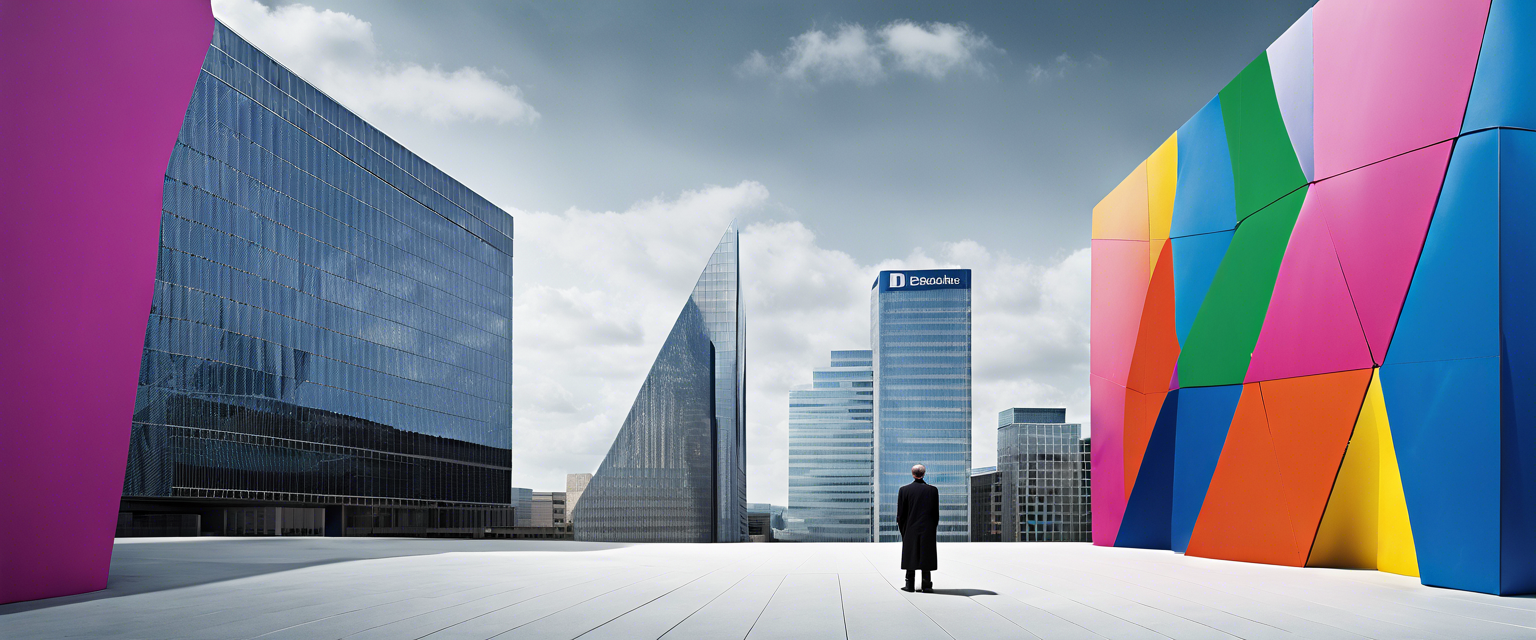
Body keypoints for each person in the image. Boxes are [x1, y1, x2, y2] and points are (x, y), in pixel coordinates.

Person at [896, 463, 940, 593]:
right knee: (926, 554)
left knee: (910, 554)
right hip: (928, 528)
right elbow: (935, 514)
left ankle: (909, 585)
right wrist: (932, 528)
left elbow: (900, 515)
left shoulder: (904, 490)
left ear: (912, 474)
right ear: (924, 474)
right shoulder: (933, 490)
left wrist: (904, 530)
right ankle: (926, 585)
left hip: (910, 527)